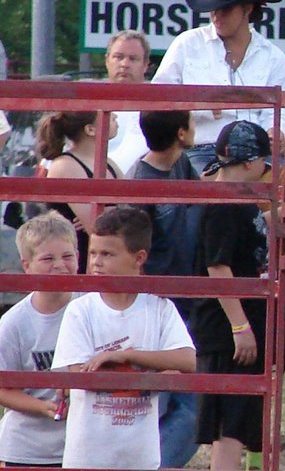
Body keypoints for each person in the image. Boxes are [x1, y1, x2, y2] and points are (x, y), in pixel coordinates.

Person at [51, 207, 196, 470]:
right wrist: (154, 374)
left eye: (107, 254)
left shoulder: (159, 307)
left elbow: (187, 359)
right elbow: (79, 375)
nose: (96, 262)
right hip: (88, 456)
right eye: (93, 252)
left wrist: (126, 355)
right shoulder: (81, 310)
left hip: (140, 457)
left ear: (139, 257)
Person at [152, 0, 285, 175]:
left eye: (225, 9)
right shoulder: (187, 44)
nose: (216, 16)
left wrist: (275, 131)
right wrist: (196, 105)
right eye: (213, 9)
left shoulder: (273, 57)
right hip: (200, 149)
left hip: (257, 155)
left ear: (247, 8)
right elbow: (157, 102)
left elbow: (281, 111)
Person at [191, 121, 272, 471]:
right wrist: (240, 327)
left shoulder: (237, 199)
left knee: (236, 420)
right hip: (228, 328)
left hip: (236, 323)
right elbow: (218, 268)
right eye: (265, 163)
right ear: (252, 162)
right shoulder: (224, 203)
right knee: (229, 423)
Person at [129, 109, 202, 468]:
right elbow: (131, 253)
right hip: (156, 304)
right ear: (181, 133)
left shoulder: (183, 165)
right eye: (190, 124)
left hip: (183, 301)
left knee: (185, 402)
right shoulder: (141, 183)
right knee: (179, 404)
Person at [0, 212, 78, 467]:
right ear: (26, 265)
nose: (59, 265)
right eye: (47, 258)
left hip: (83, 445)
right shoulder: (14, 322)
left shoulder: (90, 307)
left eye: (68, 256)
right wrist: (43, 407)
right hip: (27, 450)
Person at [36, 111, 122, 273]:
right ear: (90, 129)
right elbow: (98, 228)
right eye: (108, 116)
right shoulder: (65, 165)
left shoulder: (109, 163)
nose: (116, 116)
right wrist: (112, 213)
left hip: (107, 263)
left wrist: (108, 212)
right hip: (76, 266)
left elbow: (132, 212)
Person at [105, 30, 152, 172]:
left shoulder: (157, 108)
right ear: (107, 60)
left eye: (133, 59)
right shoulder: (86, 105)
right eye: (118, 57)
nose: (124, 64)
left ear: (145, 64)